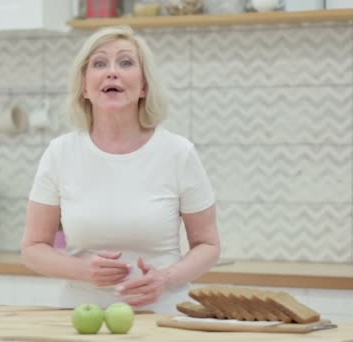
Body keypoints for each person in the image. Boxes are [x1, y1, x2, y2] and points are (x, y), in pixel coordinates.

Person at [20, 26, 220, 314]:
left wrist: (166, 279)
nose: (112, 72)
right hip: (80, 320)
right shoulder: (60, 153)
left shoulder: (178, 152)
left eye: (125, 62)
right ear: (85, 88)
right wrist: (83, 270)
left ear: (144, 86)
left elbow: (208, 244)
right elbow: (33, 248)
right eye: (99, 63)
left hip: (161, 318)